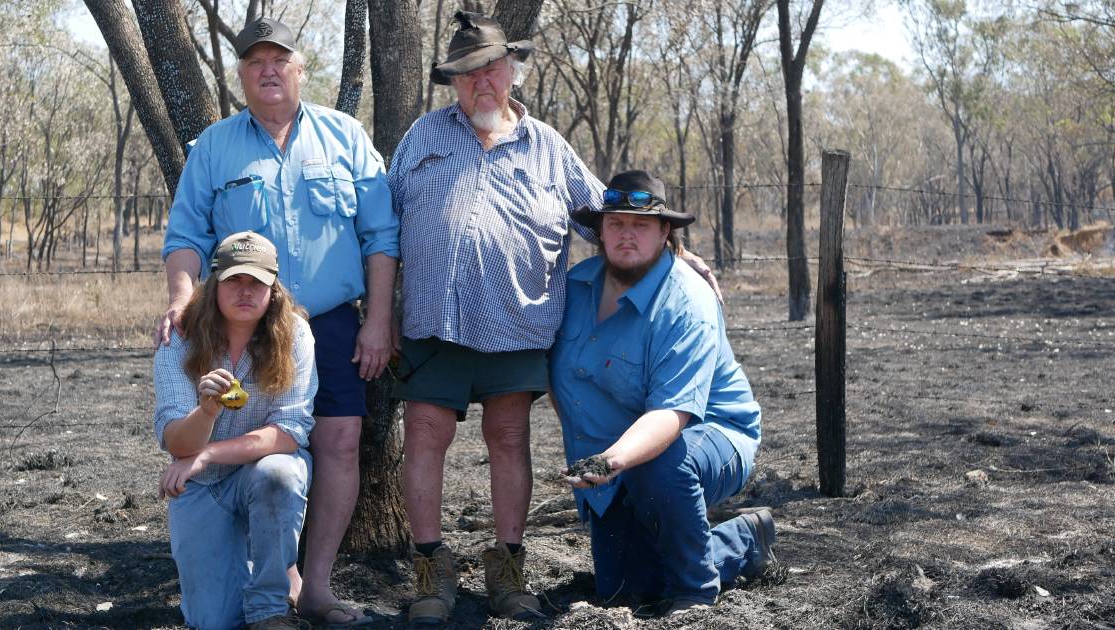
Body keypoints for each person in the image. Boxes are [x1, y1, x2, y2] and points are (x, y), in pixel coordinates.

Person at [388, 12, 721, 625]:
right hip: (433, 323)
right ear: (453, 83)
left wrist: (675, 251)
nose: (479, 84)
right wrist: (377, 315)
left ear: (511, 71)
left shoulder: (546, 145)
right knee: (425, 440)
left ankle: (508, 569)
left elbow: (606, 216)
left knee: (509, 440)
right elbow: (383, 228)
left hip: (517, 326)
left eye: (490, 70)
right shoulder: (422, 138)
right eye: (466, 75)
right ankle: (432, 568)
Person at [156, 18, 398, 627]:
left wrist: (379, 320)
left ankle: (314, 588)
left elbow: (382, 236)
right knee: (259, 448)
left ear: (299, 69)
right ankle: (269, 581)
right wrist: (183, 298)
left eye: (279, 59)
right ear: (240, 73)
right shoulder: (214, 147)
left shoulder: (345, 136)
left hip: (334, 322)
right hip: (244, 325)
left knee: (339, 443)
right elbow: (185, 235)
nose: (267, 69)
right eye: (254, 61)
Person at [549, 170, 776, 615]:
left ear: (665, 232)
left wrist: (610, 461)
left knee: (661, 468)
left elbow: (671, 417)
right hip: (620, 455)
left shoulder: (687, 301)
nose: (626, 236)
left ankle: (695, 591)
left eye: (641, 226)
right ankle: (742, 539)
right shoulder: (573, 288)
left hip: (708, 435)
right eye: (615, 224)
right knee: (624, 589)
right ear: (600, 232)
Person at [154, 231, 315, 630]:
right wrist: (206, 412)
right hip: (203, 486)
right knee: (212, 621)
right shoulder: (179, 339)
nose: (245, 292)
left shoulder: (294, 335)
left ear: (273, 289)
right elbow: (176, 440)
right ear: (214, 285)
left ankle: (270, 609)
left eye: (256, 283)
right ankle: (276, 567)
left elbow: (289, 433)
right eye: (234, 281)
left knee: (279, 473)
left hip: (255, 473)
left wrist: (208, 452)